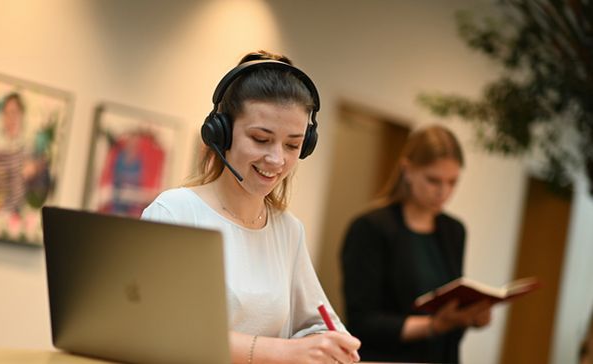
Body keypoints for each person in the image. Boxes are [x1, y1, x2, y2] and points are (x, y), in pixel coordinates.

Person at [142, 50, 361, 364]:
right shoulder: (175, 213)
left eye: (293, 145)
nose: (277, 159)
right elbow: (155, 329)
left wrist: (328, 344)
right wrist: (281, 352)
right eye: (261, 139)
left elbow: (315, 323)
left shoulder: (287, 230)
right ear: (222, 133)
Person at [341, 125, 491, 363]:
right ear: (407, 170)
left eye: (452, 182)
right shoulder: (371, 228)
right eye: (433, 180)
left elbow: (450, 304)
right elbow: (362, 321)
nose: (443, 192)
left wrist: (470, 316)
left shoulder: (454, 231)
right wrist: (434, 325)